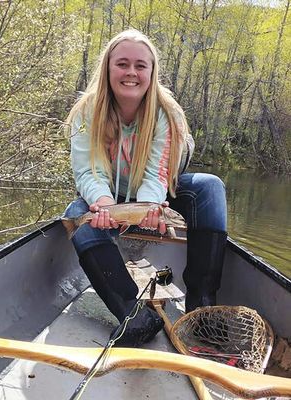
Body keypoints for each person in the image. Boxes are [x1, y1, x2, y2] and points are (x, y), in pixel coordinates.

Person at [64, 29, 227, 347]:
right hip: (107, 196)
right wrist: (103, 204)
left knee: (210, 187)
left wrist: (151, 208)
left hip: (157, 192)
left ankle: (202, 308)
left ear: (152, 73)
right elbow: (88, 171)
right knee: (76, 214)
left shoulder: (167, 113)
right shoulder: (86, 112)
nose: (131, 73)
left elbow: (156, 176)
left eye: (140, 66)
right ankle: (134, 315)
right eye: (122, 64)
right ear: (107, 68)